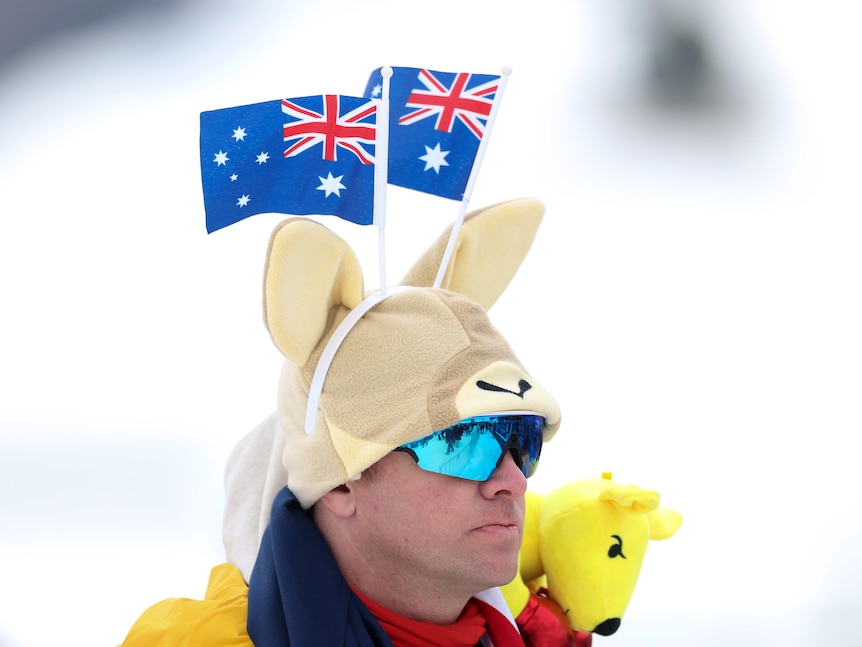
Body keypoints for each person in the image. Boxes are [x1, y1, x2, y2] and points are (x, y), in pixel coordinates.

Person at [120, 197, 563, 647]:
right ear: (339, 485)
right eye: (464, 443)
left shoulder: (549, 633)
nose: (513, 481)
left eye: (522, 440)